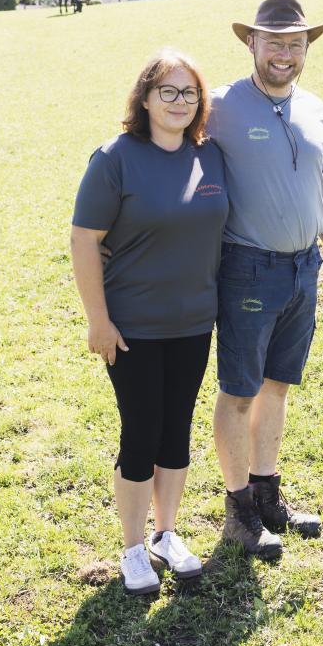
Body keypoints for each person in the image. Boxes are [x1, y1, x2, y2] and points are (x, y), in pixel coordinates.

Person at [205, 0, 323, 559]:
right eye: (274, 42)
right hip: (247, 269)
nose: (285, 54)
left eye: (295, 43)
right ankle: (239, 513)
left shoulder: (315, 107)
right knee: (239, 392)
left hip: (303, 269)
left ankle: (269, 498)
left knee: (277, 386)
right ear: (251, 43)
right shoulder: (220, 106)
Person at [70, 50, 228, 595]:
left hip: (193, 323)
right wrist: (99, 320)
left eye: (190, 93)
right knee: (141, 432)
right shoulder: (115, 159)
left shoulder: (211, 158)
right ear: (144, 98)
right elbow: (84, 240)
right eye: (168, 91)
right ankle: (133, 548)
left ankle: (166, 535)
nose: (180, 102)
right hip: (133, 326)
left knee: (176, 430)